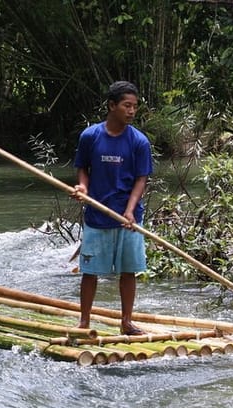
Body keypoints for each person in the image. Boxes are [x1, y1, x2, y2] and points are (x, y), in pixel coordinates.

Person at [71, 81, 153, 335]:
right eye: (127, 106)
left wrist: (130, 211)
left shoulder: (139, 142)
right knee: (90, 271)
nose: (131, 111)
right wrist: (83, 188)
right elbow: (82, 168)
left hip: (128, 217)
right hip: (97, 215)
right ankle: (84, 322)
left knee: (129, 271)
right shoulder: (90, 136)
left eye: (135, 107)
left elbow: (141, 178)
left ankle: (126, 322)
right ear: (111, 106)